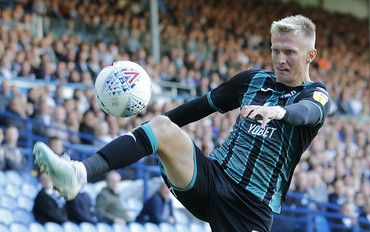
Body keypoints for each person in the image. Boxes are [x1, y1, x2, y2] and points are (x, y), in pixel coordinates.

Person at [33, 14, 331, 231]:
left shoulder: (314, 94)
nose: (280, 59)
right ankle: (80, 173)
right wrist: (147, 132)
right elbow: (198, 107)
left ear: (310, 55)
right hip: (210, 179)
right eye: (275, 50)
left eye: (289, 52)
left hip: (249, 208)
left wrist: (278, 113)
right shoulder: (252, 80)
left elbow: (308, 112)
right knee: (162, 127)